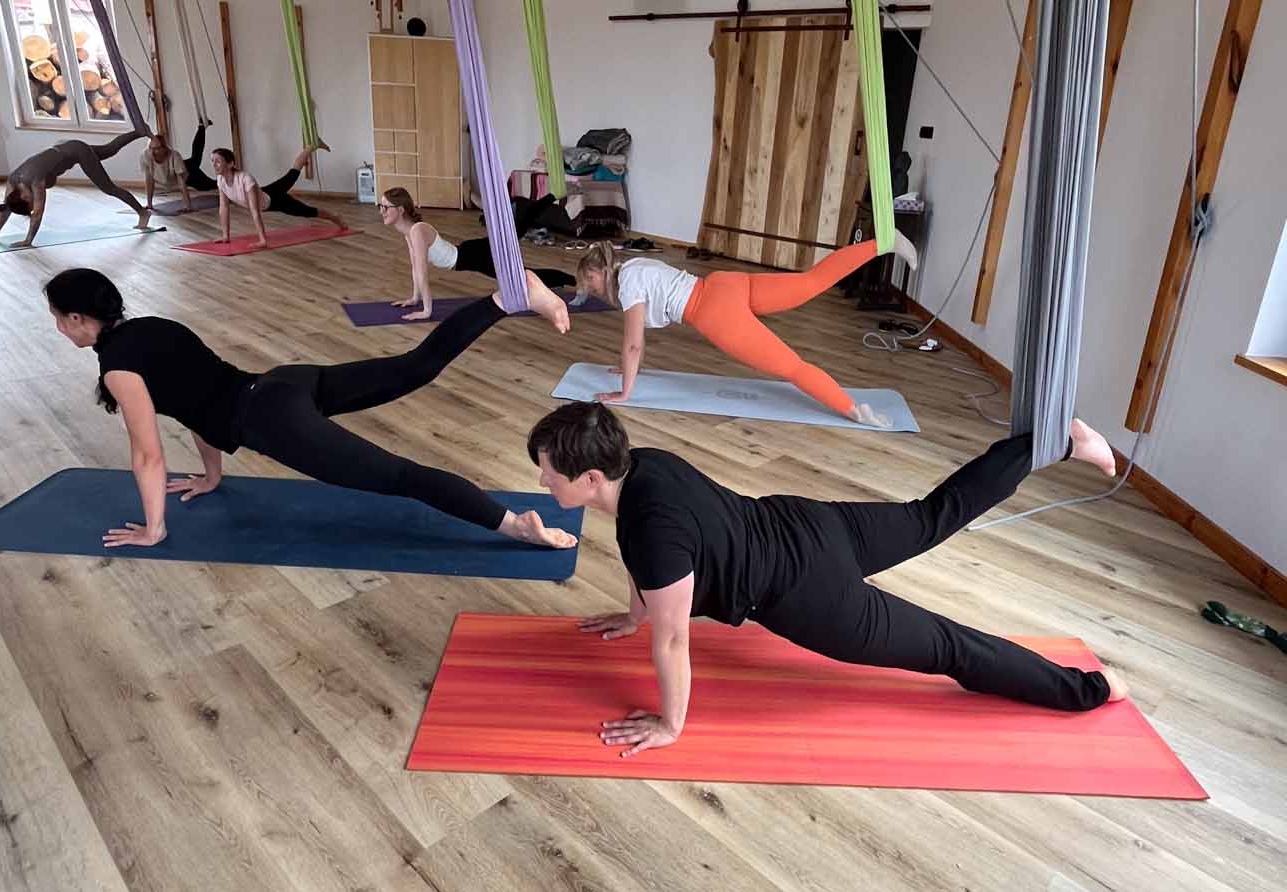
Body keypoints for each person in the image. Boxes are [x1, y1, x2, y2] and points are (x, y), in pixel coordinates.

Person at [526, 400, 1127, 755]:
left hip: (809, 593)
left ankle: (1090, 690)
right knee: (931, 515)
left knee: (948, 647)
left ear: (592, 479)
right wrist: (634, 615)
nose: (543, 482)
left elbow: (675, 638)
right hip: (810, 523)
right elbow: (653, 573)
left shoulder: (650, 533)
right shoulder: (645, 464)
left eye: (550, 473)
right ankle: (1056, 443)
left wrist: (670, 724)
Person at [43, 265, 575, 550]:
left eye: (58, 319)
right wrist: (211, 476)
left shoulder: (118, 367)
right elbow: (196, 403)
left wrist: (153, 528)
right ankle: (508, 297)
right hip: (284, 383)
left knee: (402, 476)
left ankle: (515, 527)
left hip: (273, 420)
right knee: (416, 366)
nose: (59, 329)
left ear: (76, 319)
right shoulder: (151, 327)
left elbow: (148, 455)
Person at [574, 237, 922, 427]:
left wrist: (625, 392)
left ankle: (853, 409)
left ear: (601, 271)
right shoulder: (632, 265)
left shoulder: (628, 287)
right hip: (724, 284)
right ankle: (884, 242)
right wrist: (626, 367)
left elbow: (633, 344)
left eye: (590, 280)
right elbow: (633, 345)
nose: (591, 288)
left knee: (790, 366)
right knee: (810, 281)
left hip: (713, 312)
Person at [378, 186, 576, 320]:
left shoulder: (417, 231)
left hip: (476, 255)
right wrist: (415, 298)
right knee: (520, 267)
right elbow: (415, 268)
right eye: (381, 206)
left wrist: (426, 310)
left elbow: (422, 272)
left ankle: (573, 279)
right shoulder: (409, 232)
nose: (382, 211)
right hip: (472, 256)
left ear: (401, 210)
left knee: (520, 249)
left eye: (385, 207)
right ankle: (570, 279)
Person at [0, 128, 151, 246]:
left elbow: (38, 213)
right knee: (109, 150)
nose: (33, 205)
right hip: (66, 147)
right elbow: (5, 207)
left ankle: (142, 212)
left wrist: (28, 240)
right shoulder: (13, 182)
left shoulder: (35, 181)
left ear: (24, 197)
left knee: (108, 188)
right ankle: (140, 131)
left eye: (30, 204)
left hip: (77, 151)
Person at [212, 145, 345, 247]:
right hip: (265, 193)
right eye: (213, 161)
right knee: (291, 175)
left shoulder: (245, 179)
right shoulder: (220, 180)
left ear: (230, 164)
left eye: (217, 161)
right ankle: (311, 146)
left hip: (275, 200)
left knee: (307, 211)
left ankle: (335, 217)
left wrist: (262, 240)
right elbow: (224, 208)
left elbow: (255, 211)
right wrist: (225, 236)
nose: (214, 165)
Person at [141, 121, 217, 212]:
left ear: (164, 148)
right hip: (176, 171)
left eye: (157, 148)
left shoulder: (174, 156)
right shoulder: (145, 156)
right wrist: (149, 205)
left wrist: (187, 206)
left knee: (206, 184)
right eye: (151, 148)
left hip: (189, 174)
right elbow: (149, 181)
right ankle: (202, 127)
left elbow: (181, 182)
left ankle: (202, 127)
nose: (153, 152)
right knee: (195, 160)